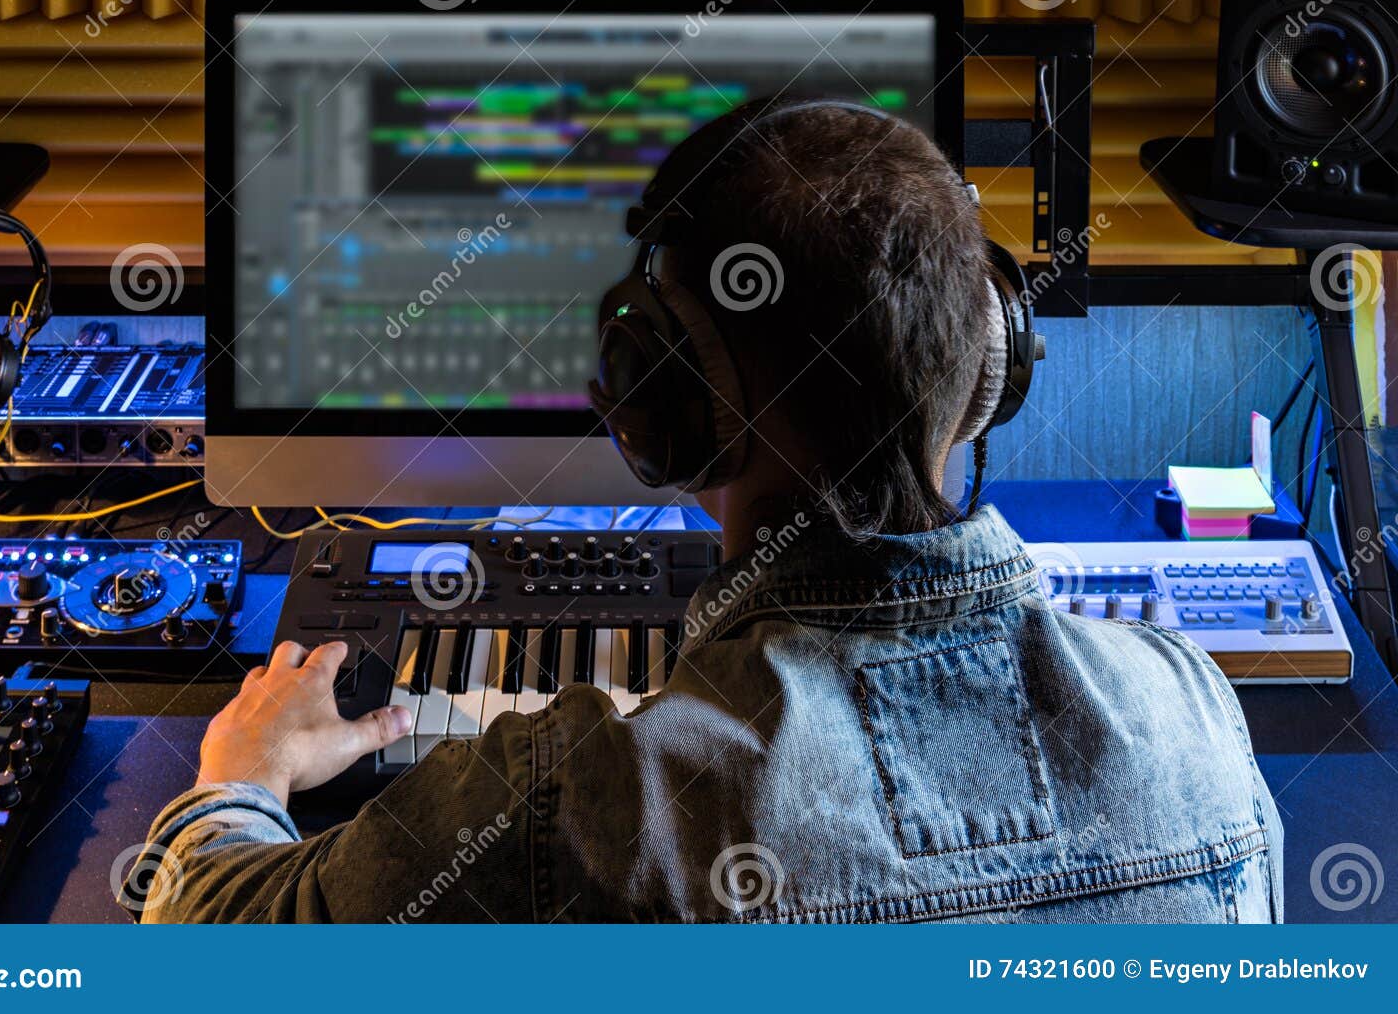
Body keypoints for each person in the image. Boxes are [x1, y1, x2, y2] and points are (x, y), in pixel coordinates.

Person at [125, 98, 1282, 923]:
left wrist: (239, 779)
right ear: (989, 365)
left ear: (659, 400)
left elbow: (209, 936)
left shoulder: (580, 813)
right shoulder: (1195, 719)